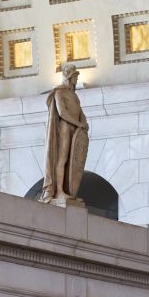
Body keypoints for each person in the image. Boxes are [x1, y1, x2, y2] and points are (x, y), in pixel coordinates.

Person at [40, 64, 88, 204]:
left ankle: (68, 190)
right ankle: (59, 191)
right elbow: (62, 113)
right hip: (65, 128)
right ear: (68, 77)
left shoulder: (74, 95)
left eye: (77, 76)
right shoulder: (59, 92)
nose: (76, 78)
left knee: (71, 161)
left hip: (75, 129)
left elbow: (80, 112)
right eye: (74, 76)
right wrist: (78, 123)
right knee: (62, 159)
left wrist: (83, 122)